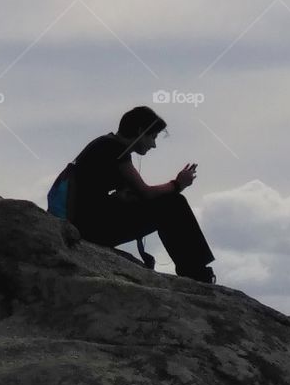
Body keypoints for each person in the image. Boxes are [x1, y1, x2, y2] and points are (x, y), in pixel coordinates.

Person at [70, 105, 216, 283]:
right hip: (92, 227)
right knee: (173, 203)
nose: (154, 144)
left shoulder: (105, 144)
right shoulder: (114, 148)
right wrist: (177, 184)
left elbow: (128, 194)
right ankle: (196, 272)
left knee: (170, 201)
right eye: (153, 136)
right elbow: (145, 193)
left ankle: (194, 269)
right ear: (140, 131)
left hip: (87, 223)